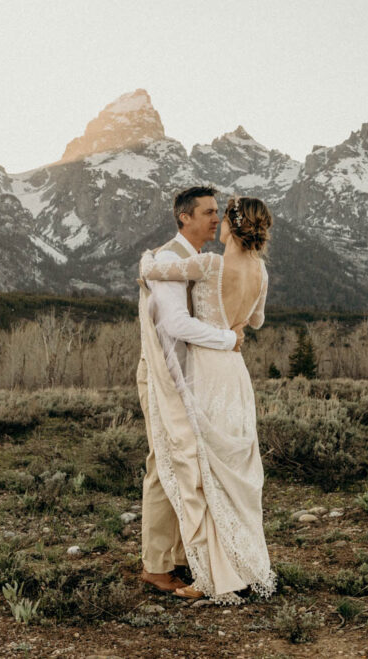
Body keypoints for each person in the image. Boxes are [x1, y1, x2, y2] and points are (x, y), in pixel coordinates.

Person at [136, 191, 275, 604]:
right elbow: (257, 319)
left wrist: (146, 264)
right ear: (185, 217)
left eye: (220, 213)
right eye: (209, 212)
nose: (216, 219)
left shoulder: (207, 264)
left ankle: (212, 567)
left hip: (204, 372)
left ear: (233, 223)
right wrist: (232, 332)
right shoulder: (260, 271)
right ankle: (231, 562)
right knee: (229, 471)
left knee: (206, 470)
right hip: (224, 373)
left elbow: (158, 276)